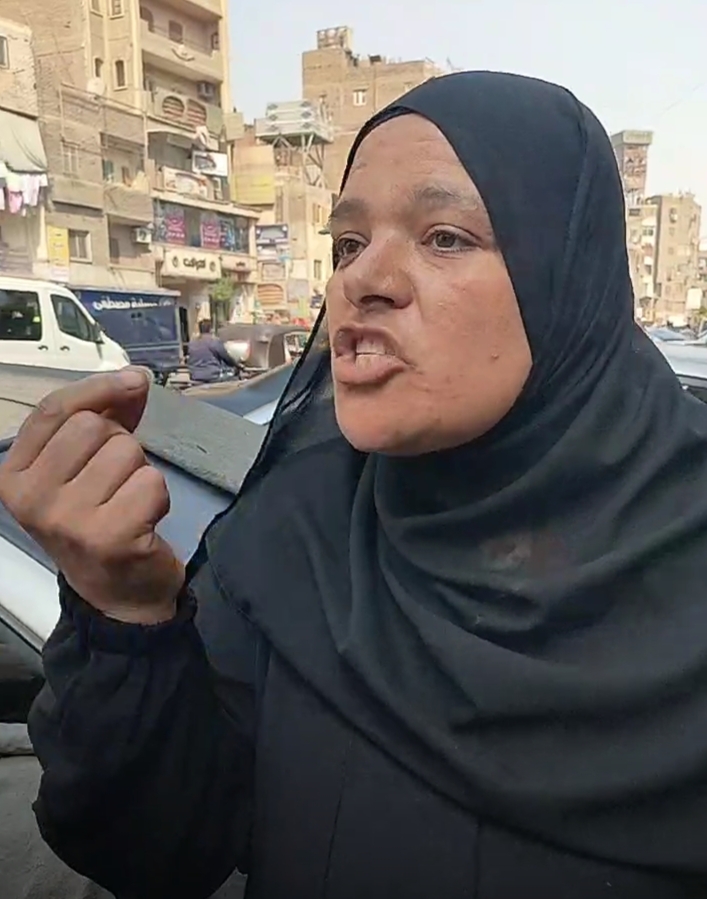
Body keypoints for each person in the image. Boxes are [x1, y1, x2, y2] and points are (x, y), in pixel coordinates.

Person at [1, 71, 707, 898]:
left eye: (444, 237)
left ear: (568, 279)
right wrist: (123, 614)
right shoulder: (297, 536)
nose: (360, 280)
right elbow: (157, 849)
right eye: (346, 244)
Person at [186, 318, 240, 384]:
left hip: (195, 376)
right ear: (211, 329)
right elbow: (226, 358)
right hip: (212, 376)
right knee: (235, 379)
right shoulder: (214, 341)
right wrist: (237, 365)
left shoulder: (192, 343)